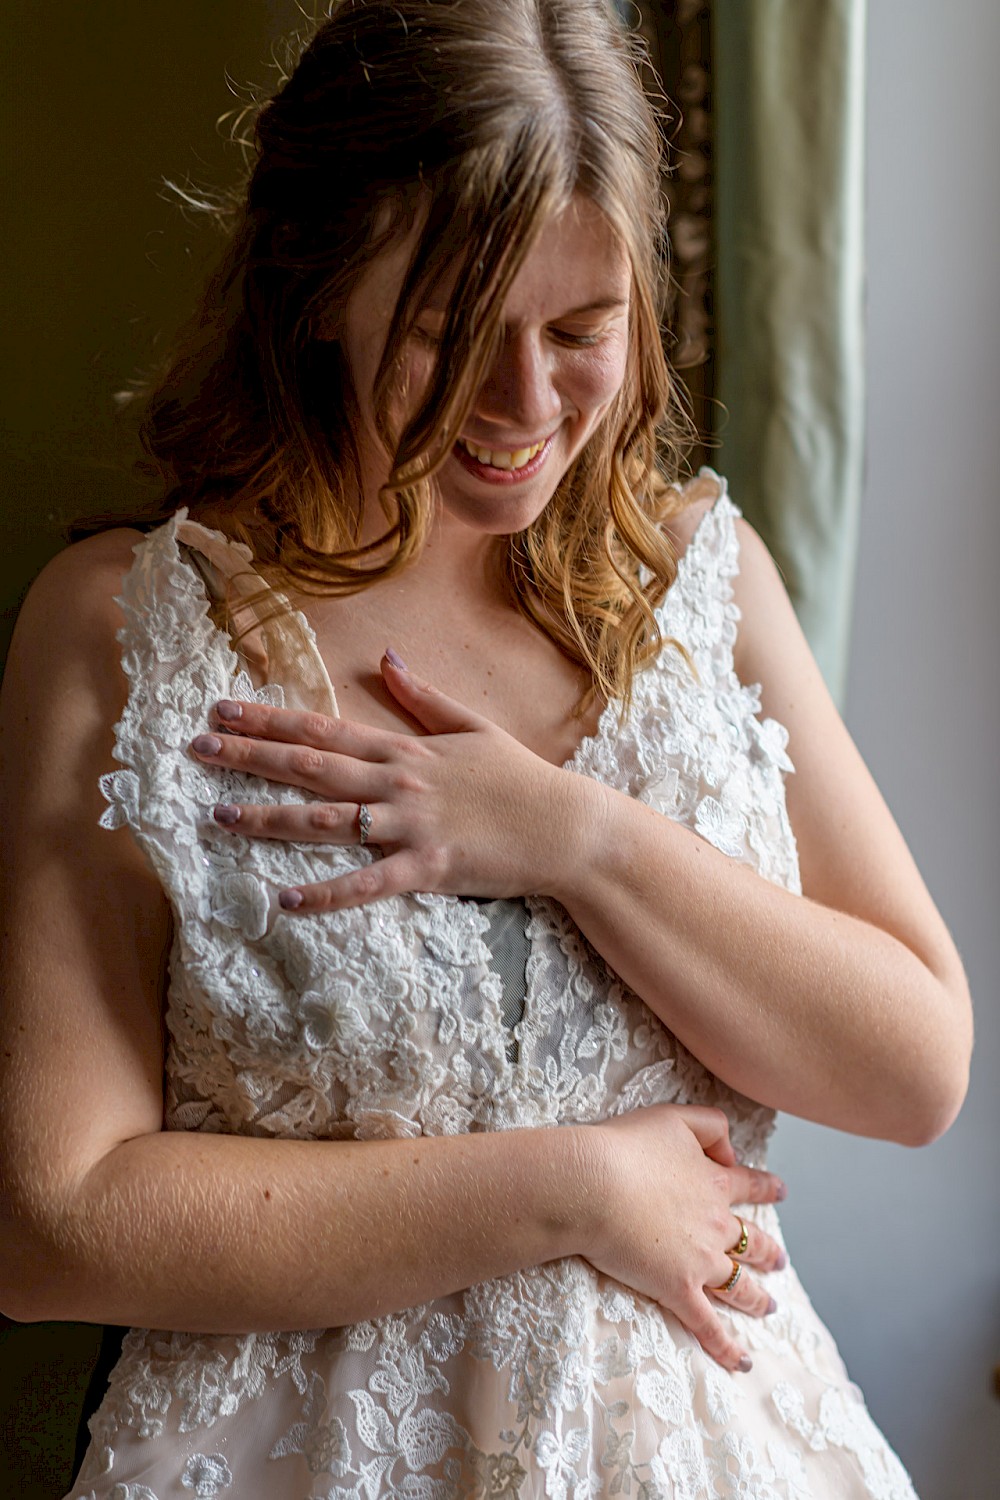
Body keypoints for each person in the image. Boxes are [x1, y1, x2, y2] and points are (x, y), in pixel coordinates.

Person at [0, 1, 971, 1496]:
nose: (525, 406)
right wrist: (569, 1189)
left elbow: (915, 1068)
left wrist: (572, 838)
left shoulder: (697, 583)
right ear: (318, 287)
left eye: (583, 332)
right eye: (451, 333)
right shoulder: (129, 629)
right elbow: (56, 1229)